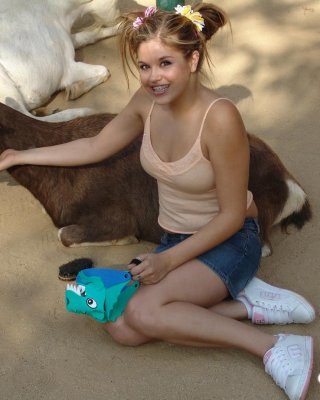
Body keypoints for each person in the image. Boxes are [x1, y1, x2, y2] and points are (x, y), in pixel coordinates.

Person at [0, 4, 315, 399]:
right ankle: (250, 306)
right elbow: (96, 145)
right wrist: (20, 156)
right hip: (175, 239)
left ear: (194, 58)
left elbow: (234, 215)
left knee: (143, 313)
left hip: (230, 241)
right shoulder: (146, 103)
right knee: (119, 324)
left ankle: (277, 349)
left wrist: (166, 262)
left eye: (165, 63)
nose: (153, 78)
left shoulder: (220, 118)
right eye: (144, 66)